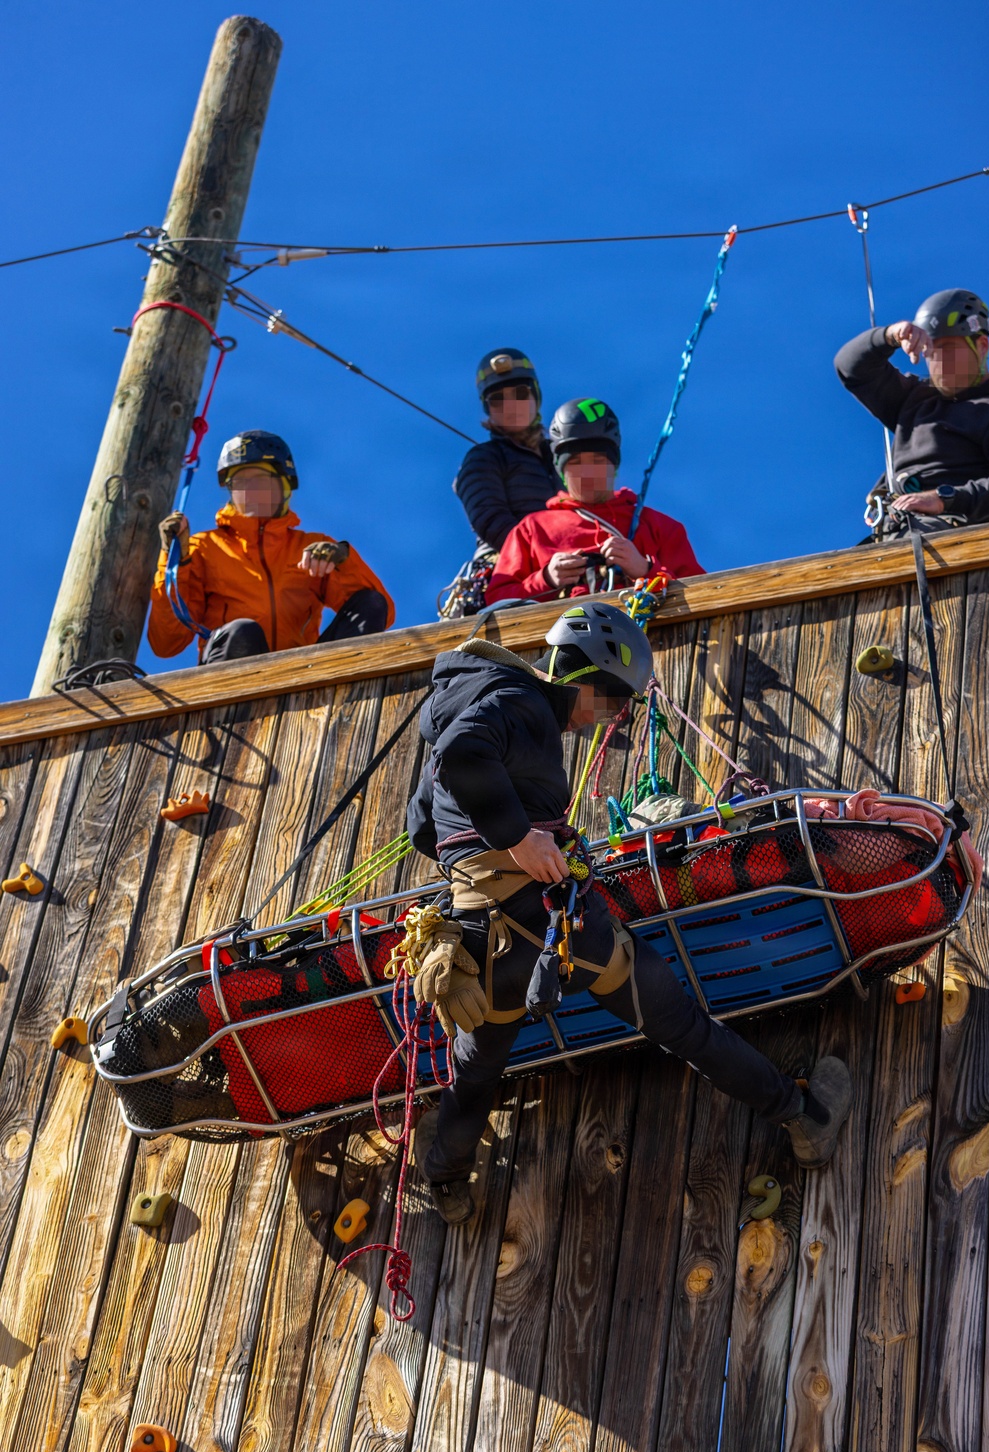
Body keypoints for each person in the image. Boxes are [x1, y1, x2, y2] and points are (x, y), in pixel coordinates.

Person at [406, 601, 853, 1224]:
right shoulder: (521, 700)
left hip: (481, 948)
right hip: (560, 925)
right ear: (590, 683)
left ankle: (447, 1178)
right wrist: (519, 839)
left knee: (477, 1069)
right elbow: (464, 756)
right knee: (684, 1027)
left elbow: (424, 828)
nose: (606, 721)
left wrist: (491, 846)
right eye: (613, 705)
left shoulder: (461, 705)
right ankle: (805, 1120)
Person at [148, 431, 394, 663]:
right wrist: (175, 559)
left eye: (261, 480)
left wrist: (343, 560)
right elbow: (167, 644)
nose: (250, 490)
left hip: (301, 681)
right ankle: (233, 705)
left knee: (371, 601)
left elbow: (379, 612)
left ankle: (342, 698)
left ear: (284, 487)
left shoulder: (310, 546)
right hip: (229, 683)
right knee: (242, 632)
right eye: (240, 481)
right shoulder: (202, 548)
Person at [485, 399, 704, 603]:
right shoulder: (532, 530)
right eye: (576, 462)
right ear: (561, 470)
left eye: (598, 460)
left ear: (614, 465)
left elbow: (705, 595)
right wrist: (546, 579)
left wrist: (645, 569)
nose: (587, 472)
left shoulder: (661, 528)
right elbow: (497, 602)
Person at [835, 289, 989, 536]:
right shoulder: (914, 399)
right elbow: (851, 368)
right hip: (900, 529)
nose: (937, 359)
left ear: (982, 345)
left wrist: (945, 499)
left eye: (947, 348)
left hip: (961, 536)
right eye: (931, 350)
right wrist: (890, 336)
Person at [453, 349, 561, 553]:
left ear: (535, 396)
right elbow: (492, 522)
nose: (510, 405)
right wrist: (543, 555)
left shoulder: (563, 455)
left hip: (575, 563)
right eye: (497, 399)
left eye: (520, 393)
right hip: (512, 570)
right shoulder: (482, 460)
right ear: (488, 408)